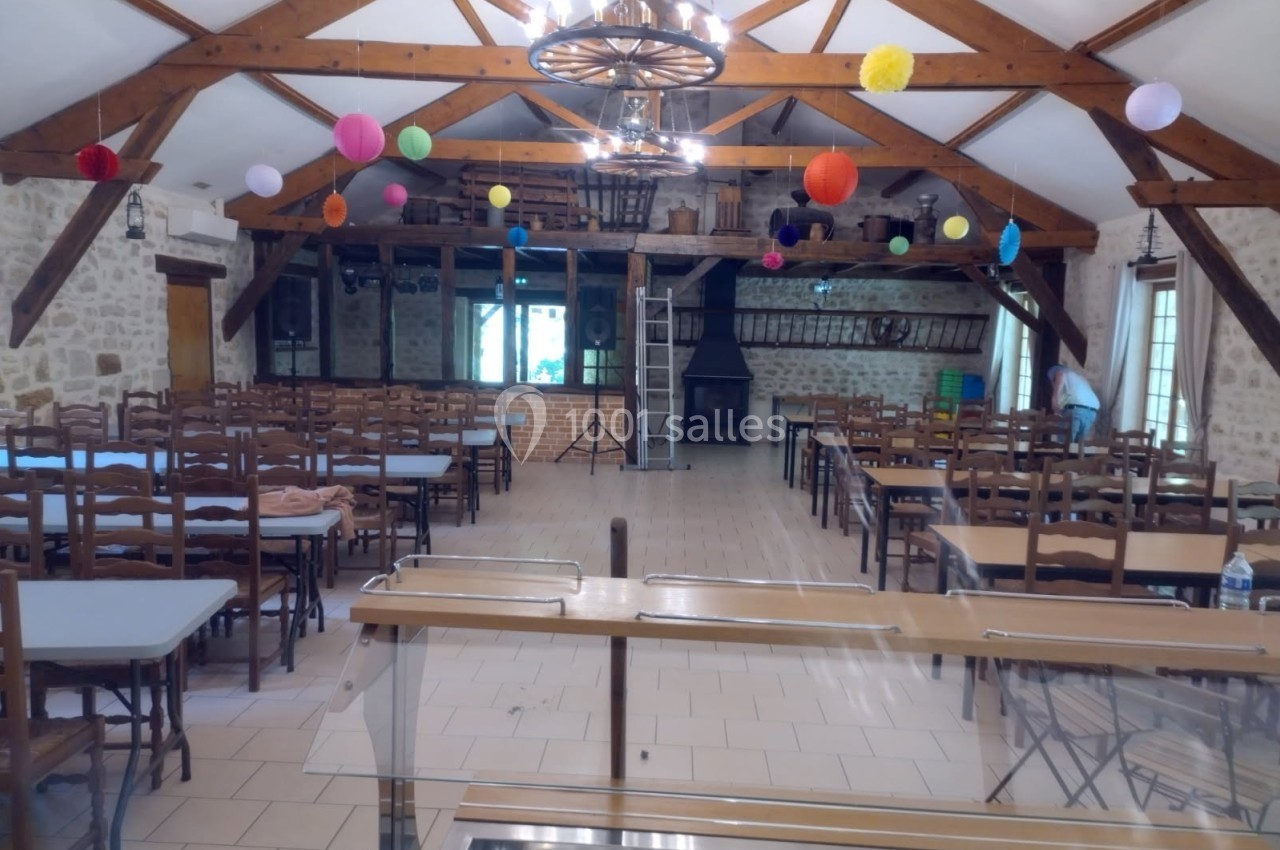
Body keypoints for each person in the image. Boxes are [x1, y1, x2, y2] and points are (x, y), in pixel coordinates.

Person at [1048, 365, 1100, 442]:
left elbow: (1057, 393)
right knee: (1078, 447)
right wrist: (1058, 408)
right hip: (1092, 412)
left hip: (1075, 410)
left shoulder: (1059, 372)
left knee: (1065, 445)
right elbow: (1069, 395)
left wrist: (1054, 404)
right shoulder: (1077, 378)